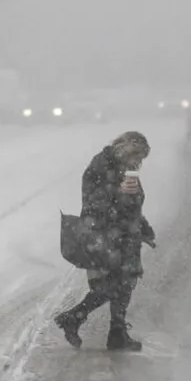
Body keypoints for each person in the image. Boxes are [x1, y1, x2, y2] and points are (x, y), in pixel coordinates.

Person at [54, 131, 155, 351]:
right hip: (105, 236)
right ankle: (76, 318)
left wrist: (144, 227)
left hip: (125, 236)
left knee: (125, 282)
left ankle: (116, 333)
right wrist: (119, 193)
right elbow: (94, 204)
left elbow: (132, 204)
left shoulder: (124, 170)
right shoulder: (101, 166)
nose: (137, 162)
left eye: (140, 158)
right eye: (135, 156)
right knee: (110, 286)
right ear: (124, 149)